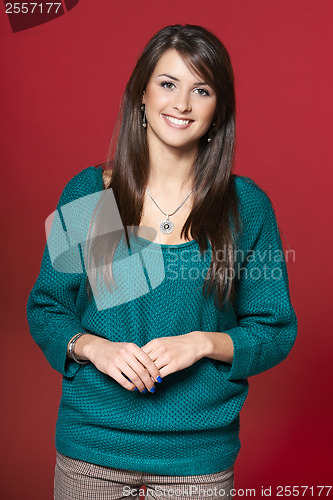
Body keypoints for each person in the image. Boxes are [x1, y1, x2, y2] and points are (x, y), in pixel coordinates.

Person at [26, 24, 298, 500]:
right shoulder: (94, 194)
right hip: (92, 452)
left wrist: (203, 343)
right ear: (142, 96)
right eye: (168, 84)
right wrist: (94, 347)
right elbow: (47, 309)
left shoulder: (244, 207)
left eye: (201, 90)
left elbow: (275, 329)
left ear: (218, 111)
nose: (182, 104)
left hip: (198, 462)